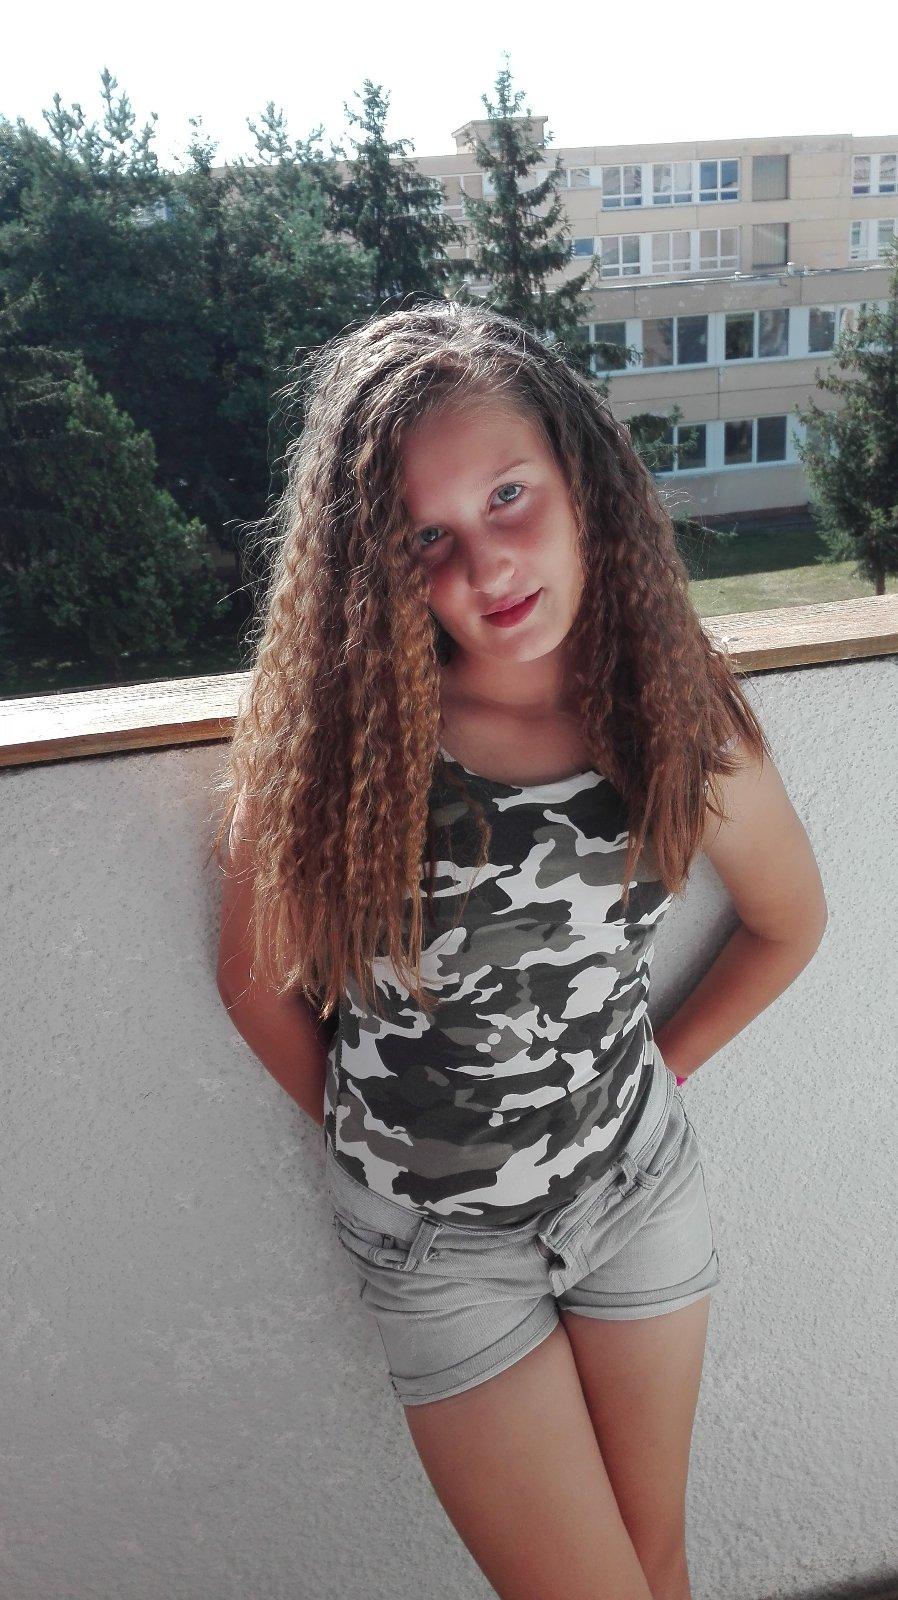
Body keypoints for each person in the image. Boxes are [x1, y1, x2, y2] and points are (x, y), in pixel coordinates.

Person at [211, 299, 828, 1600]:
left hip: (635, 1196)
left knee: (656, 1564)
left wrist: (666, 1064)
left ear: (580, 475)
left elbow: (788, 923)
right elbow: (255, 983)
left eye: (507, 496)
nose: (486, 564)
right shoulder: (341, 745)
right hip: (440, 1256)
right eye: (425, 535)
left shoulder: (672, 716)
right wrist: (390, 1145)